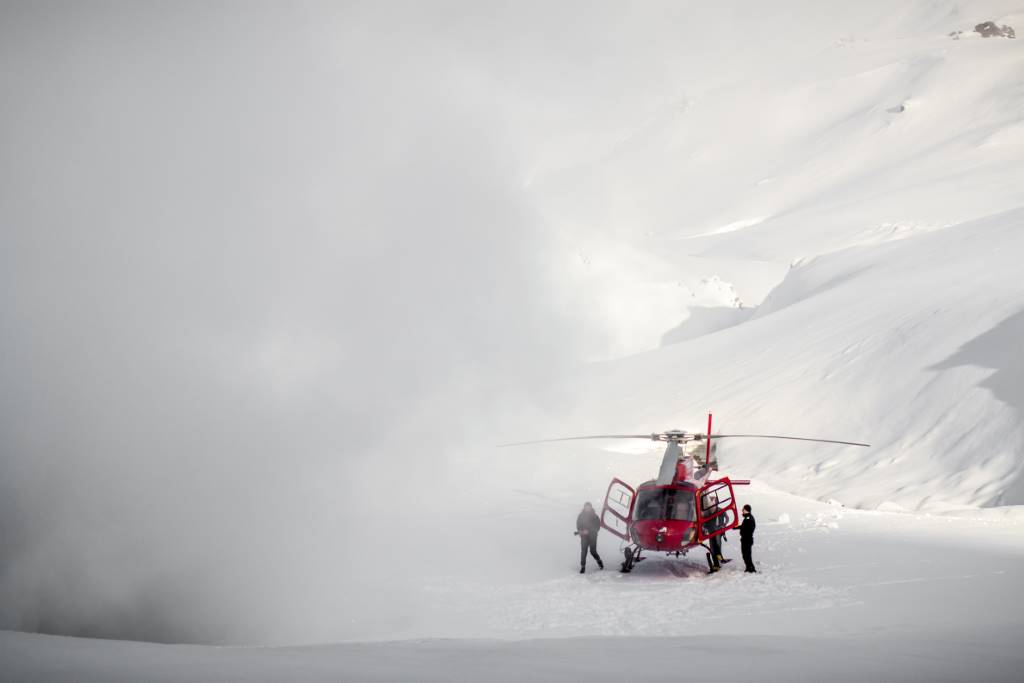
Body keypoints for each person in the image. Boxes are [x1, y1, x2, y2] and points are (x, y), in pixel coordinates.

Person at [575, 502, 604, 573]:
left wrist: (590, 531)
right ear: (584, 507)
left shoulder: (595, 516)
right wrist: (581, 531)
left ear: (591, 507)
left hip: (593, 536)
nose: (587, 508)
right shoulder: (581, 516)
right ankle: (583, 567)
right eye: (586, 507)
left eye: (589, 507)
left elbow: (597, 527)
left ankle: (599, 561)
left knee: (593, 551)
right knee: (584, 551)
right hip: (584, 536)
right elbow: (578, 525)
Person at [738, 504, 756, 573]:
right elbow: (744, 526)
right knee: (745, 554)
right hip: (745, 539)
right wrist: (736, 527)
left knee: (747, 555)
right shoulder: (747, 517)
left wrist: (744, 532)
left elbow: (749, 528)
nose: (742, 511)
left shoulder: (749, 518)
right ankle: (748, 567)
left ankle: (751, 568)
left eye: (743, 509)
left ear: (746, 510)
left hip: (747, 539)